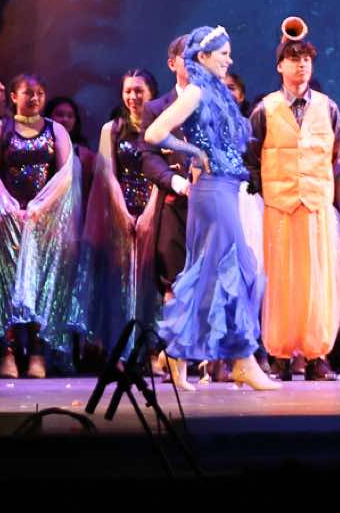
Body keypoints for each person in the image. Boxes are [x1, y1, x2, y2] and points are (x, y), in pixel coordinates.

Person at [146, 25, 278, 391]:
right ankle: (243, 360)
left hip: (226, 187)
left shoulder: (216, 91)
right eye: (223, 54)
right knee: (236, 268)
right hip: (212, 189)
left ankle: (176, 350)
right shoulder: (196, 91)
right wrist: (193, 151)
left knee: (213, 274)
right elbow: (154, 134)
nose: (229, 60)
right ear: (202, 57)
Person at [245, 29, 340, 381]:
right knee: (281, 280)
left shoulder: (328, 107)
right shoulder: (265, 109)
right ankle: (281, 355)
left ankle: (317, 355)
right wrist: (267, 191)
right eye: (293, 60)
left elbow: (337, 158)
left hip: (316, 205)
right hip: (279, 206)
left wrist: (316, 184)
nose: (301, 66)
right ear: (279, 66)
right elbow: (251, 156)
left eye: (306, 60)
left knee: (318, 279)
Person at [0, 72, 84, 377]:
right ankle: (7, 353)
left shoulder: (55, 130)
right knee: (7, 287)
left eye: (39, 93)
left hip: (44, 223)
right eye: (27, 92)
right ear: (13, 96)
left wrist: (39, 209)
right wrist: (11, 209)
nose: (34, 98)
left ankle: (38, 352)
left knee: (40, 286)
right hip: (6, 220)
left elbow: (64, 176)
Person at [80, 68, 160, 363]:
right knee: (120, 281)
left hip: (154, 211)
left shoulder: (161, 126)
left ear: (151, 93)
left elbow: (162, 173)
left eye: (139, 90)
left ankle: (151, 352)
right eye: (128, 91)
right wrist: (123, 212)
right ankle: (121, 351)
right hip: (120, 212)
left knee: (151, 283)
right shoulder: (111, 129)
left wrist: (149, 212)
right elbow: (108, 173)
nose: (133, 96)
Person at [139, 36, 197, 319]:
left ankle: (208, 344)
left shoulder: (215, 103)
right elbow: (148, 157)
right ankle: (176, 343)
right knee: (174, 279)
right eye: (189, 56)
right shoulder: (156, 108)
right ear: (172, 64)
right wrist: (175, 181)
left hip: (212, 206)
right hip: (175, 205)